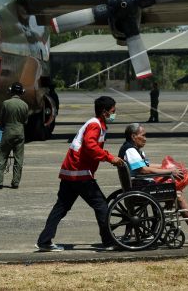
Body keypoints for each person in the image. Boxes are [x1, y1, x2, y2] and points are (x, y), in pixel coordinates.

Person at [35, 96, 125, 252]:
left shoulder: (96, 124)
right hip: (80, 173)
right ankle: (108, 241)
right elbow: (90, 146)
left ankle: (44, 240)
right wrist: (110, 158)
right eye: (113, 111)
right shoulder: (95, 126)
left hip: (70, 172)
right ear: (104, 112)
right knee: (102, 206)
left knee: (61, 207)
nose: (114, 114)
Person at [119, 123, 188, 240]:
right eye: (143, 135)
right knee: (177, 194)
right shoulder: (131, 150)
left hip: (141, 185)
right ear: (133, 136)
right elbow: (143, 170)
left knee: (173, 189)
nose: (145, 139)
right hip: (140, 187)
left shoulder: (134, 150)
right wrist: (168, 172)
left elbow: (147, 165)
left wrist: (167, 168)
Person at [0, 82, 30, 189]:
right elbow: (25, 121)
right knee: (18, 159)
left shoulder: (5, 103)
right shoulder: (25, 105)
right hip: (20, 132)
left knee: (2, 157)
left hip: (8, 132)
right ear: (21, 92)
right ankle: (15, 183)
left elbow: (1, 119)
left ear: (11, 91)